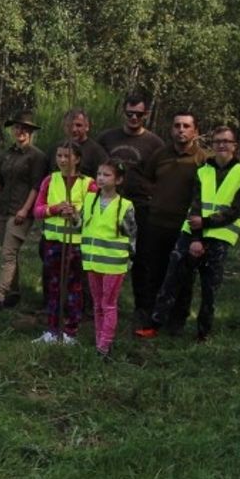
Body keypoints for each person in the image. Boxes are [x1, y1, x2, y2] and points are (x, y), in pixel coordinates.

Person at [148, 126, 240, 341]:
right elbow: (196, 203)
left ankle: (203, 333)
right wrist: (196, 237)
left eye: (226, 141)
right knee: (172, 279)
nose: (222, 145)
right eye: (217, 141)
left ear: (234, 146)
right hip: (192, 233)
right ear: (212, 145)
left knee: (210, 288)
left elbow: (235, 211)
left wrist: (205, 223)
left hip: (220, 236)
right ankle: (155, 324)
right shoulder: (203, 170)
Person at [134, 111, 207, 337]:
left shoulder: (202, 159)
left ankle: (177, 320)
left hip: (184, 228)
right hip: (156, 224)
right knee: (154, 272)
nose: (181, 130)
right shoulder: (160, 154)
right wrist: (152, 198)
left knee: (183, 276)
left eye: (186, 126)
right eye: (177, 125)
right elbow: (145, 177)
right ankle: (151, 317)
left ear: (195, 130)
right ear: (171, 129)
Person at [97, 91, 163, 329]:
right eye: (129, 113)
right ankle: (96, 304)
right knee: (102, 255)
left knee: (141, 259)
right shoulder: (106, 138)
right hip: (108, 205)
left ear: (145, 115)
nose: (133, 118)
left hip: (140, 208)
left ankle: (142, 308)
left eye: (138, 114)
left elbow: (160, 176)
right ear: (123, 112)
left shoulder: (155, 143)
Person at [32, 141, 96, 344]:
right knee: (53, 286)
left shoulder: (89, 184)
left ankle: (70, 330)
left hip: (76, 245)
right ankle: (52, 328)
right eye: (59, 156)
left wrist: (76, 215)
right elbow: (38, 210)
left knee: (73, 287)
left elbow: (93, 215)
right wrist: (55, 209)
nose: (61, 160)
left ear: (76, 159)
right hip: (53, 243)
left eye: (66, 156)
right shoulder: (49, 181)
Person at [0, 111, 47, 312]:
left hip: (21, 211)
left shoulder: (37, 156)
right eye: (17, 127)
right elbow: (0, 181)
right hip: (3, 209)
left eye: (25, 128)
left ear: (30, 132)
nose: (21, 131)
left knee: (8, 254)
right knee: (8, 253)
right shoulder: (8, 154)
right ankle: (14, 292)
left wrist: (25, 209)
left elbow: (36, 186)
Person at [81, 159, 136, 357]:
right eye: (99, 174)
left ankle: (105, 345)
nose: (101, 178)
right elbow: (82, 224)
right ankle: (99, 340)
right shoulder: (89, 200)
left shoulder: (125, 206)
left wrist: (128, 261)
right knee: (97, 304)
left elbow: (131, 237)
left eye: (107, 175)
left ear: (118, 180)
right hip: (92, 261)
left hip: (113, 264)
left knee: (108, 304)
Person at [47, 108, 107, 179]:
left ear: (87, 126)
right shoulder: (55, 149)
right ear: (64, 127)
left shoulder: (97, 152)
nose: (74, 129)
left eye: (78, 125)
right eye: (69, 125)